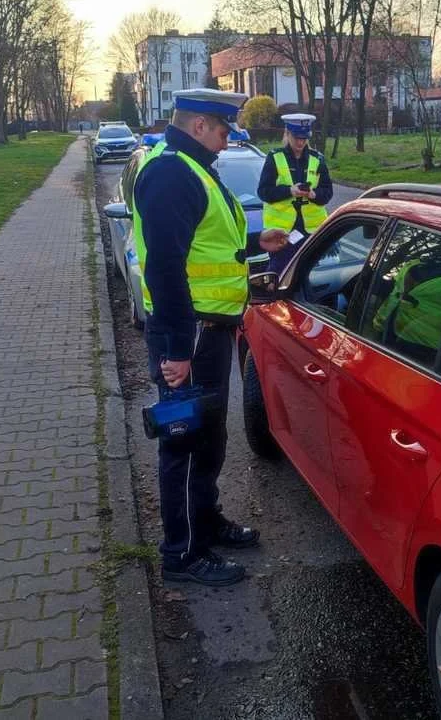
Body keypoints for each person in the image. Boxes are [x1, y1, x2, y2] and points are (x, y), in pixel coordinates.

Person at [132, 88, 288, 587]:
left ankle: (207, 520)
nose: (226, 142)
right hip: (191, 334)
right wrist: (177, 351)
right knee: (183, 440)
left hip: (209, 330)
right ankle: (181, 553)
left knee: (211, 435)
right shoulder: (172, 172)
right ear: (199, 124)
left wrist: (252, 244)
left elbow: (202, 244)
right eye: (222, 131)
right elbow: (165, 267)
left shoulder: (191, 164)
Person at [256, 113, 333, 273]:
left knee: (310, 277)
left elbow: (327, 192)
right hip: (282, 234)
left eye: (304, 138)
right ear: (287, 134)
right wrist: (290, 191)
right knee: (280, 276)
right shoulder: (274, 158)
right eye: (297, 137)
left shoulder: (317, 159)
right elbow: (264, 192)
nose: (300, 142)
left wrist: (313, 195)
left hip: (312, 232)